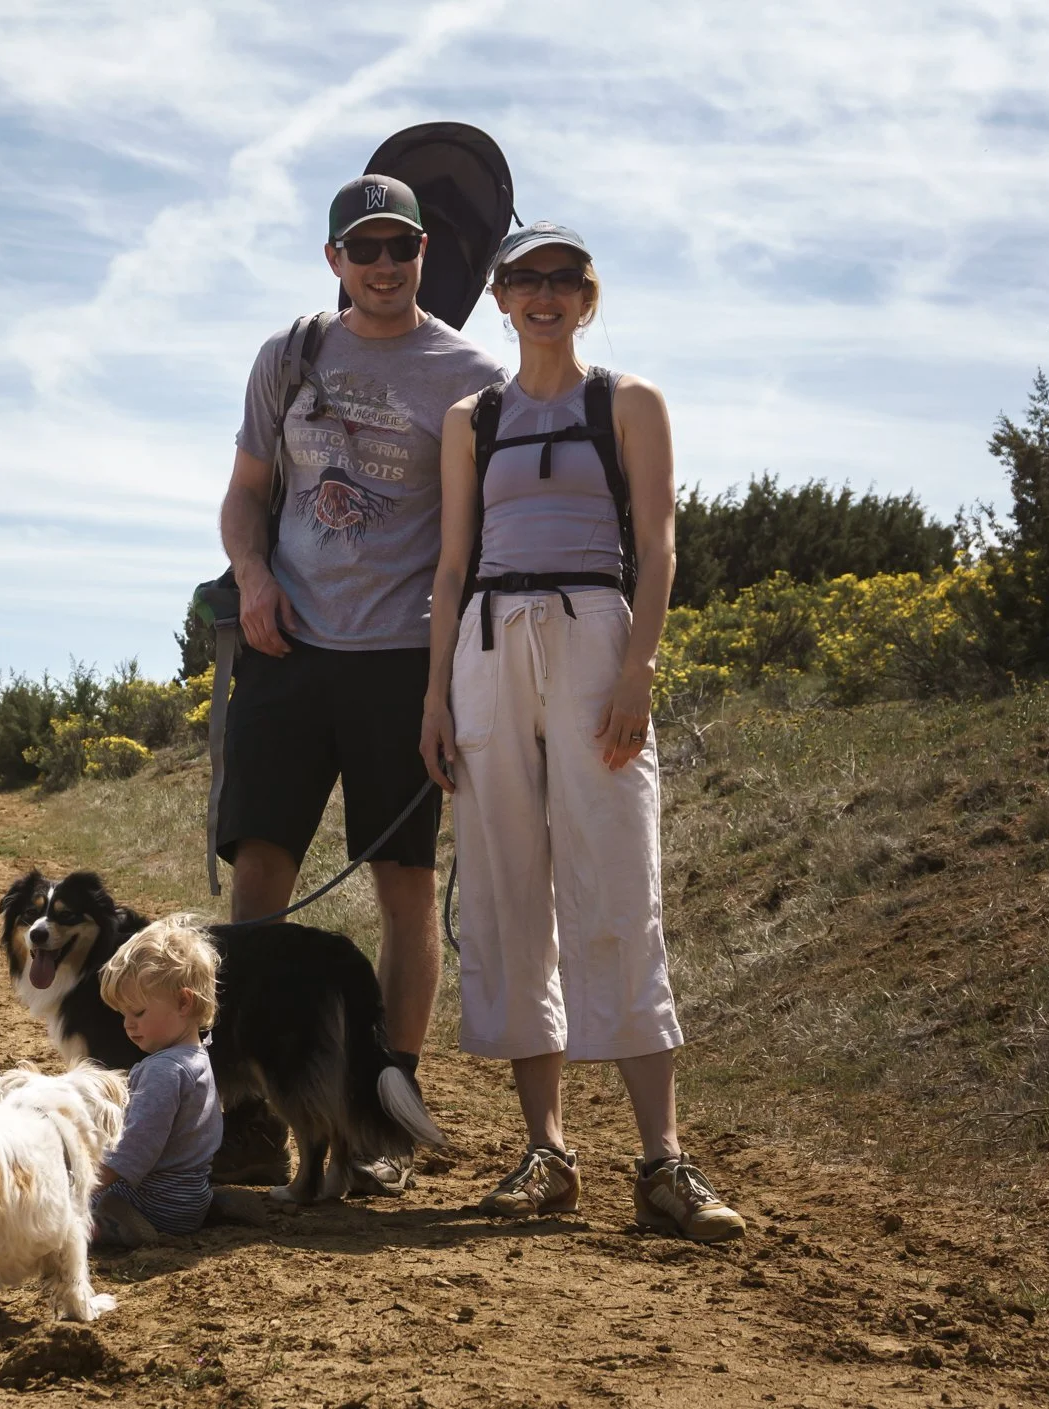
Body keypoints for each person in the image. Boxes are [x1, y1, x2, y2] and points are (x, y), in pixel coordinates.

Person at [418, 221, 744, 1242]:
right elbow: (450, 562)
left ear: (585, 297)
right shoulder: (469, 418)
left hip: (595, 631)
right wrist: (434, 695)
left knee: (614, 876)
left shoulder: (628, 401)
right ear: (501, 298)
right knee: (507, 880)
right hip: (484, 641)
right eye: (524, 280)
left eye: (563, 279)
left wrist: (637, 670)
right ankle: (546, 1153)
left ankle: (661, 1160)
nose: (544, 294)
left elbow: (656, 544)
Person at [216, 174, 504, 1192]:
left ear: (426, 252)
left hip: (398, 664)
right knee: (258, 881)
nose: (383, 266)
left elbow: (475, 540)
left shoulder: (470, 375)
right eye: (363, 248)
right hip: (286, 654)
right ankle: (241, 1112)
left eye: (401, 247)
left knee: (406, 896)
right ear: (332, 259)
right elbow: (246, 497)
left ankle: (382, 1114)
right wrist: (253, 578)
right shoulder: (288, 355)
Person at [89, 917, 224, 1246]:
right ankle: (215, 1206)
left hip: (153, 1202)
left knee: (70, 1219)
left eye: (138, 1013)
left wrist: (92, 1181)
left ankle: (124, 1225)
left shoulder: (163, 1070)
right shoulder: (198, 1057)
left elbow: (137, 1146)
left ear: (183, 1002)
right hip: (189, 1196)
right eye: (123, 1014)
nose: (127, 1025)